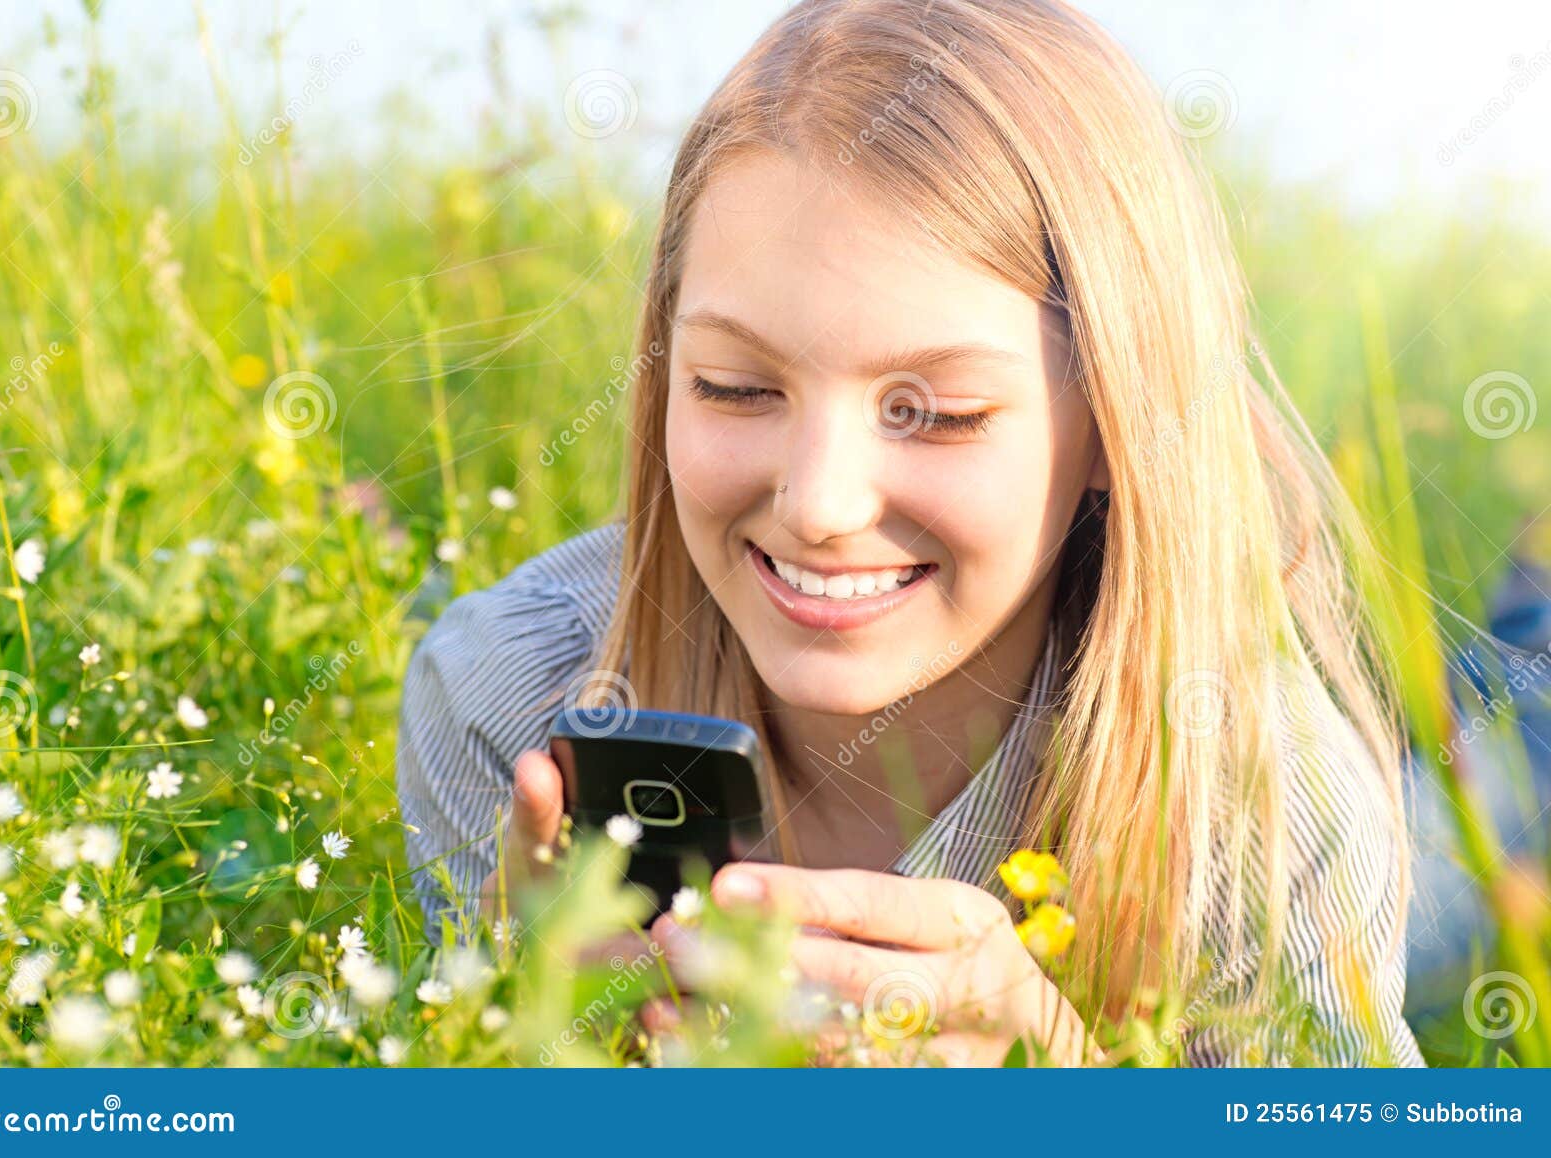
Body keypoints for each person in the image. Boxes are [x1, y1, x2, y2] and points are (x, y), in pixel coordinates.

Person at [398, 0, 1425, 1067]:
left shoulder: (1262, 801)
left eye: (934, 414)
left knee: (1462, 847)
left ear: (1116, 428)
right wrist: (520, 1040)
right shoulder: (510, 699)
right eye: (737, 388)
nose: (819, 505)